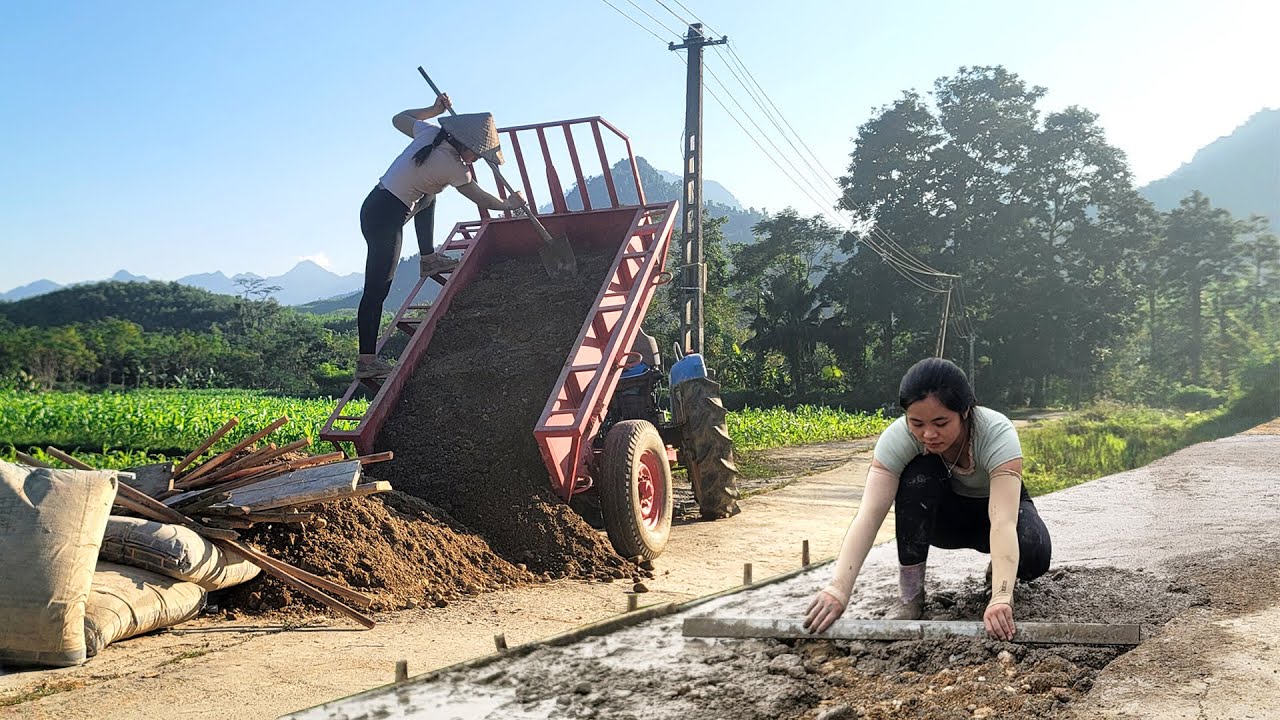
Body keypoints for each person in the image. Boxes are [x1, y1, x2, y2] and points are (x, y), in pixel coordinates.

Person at [804, 357, 1052, 640]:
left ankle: (998, 571)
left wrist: (1001, 596)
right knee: (919, 473)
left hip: (994, 516)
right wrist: (838, 589)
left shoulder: (996, 433)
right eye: (917, 423)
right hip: (942, 519)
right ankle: (911, 595)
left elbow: (1003, 522)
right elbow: (869, 515)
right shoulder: (898, 439)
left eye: (941, 422)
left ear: (966, 412)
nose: (929, 434)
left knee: (1035, 550)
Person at [355, 94, 528, 380]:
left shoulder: (430, 132)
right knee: (377, 289)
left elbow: (398, 118)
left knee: (431, 195)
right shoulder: (452, 166)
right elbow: (478, 195)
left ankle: (429, 258)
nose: (476, 160)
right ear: (467, 146)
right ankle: (366, 361)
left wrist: (432, 110)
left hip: (378, 204)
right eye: (477, 154)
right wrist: (509, 204)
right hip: (385, 218)